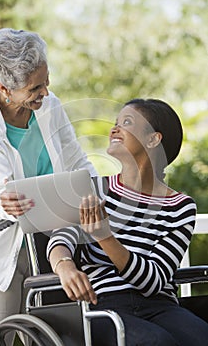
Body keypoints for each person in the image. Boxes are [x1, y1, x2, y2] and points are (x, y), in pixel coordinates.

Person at [47, 98, 208, 346]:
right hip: (103, 304)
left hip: (159, 305)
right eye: (115, 122)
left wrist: (105, 237)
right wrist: (65, 266)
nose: (114, 129)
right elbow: (61, 239)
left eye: (127, 122)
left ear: (153, 139)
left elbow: (153, 281)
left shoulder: (180, 207)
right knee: (156, 342)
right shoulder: (93, 189)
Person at [0, 28, 96, 344]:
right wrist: (2, 201)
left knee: (50, 334)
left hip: (51, 237)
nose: (45, 91)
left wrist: (97, 191)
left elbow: (77, 161)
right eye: (35, 87)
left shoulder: (50, 106)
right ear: (4, 88)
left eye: (46, 80)